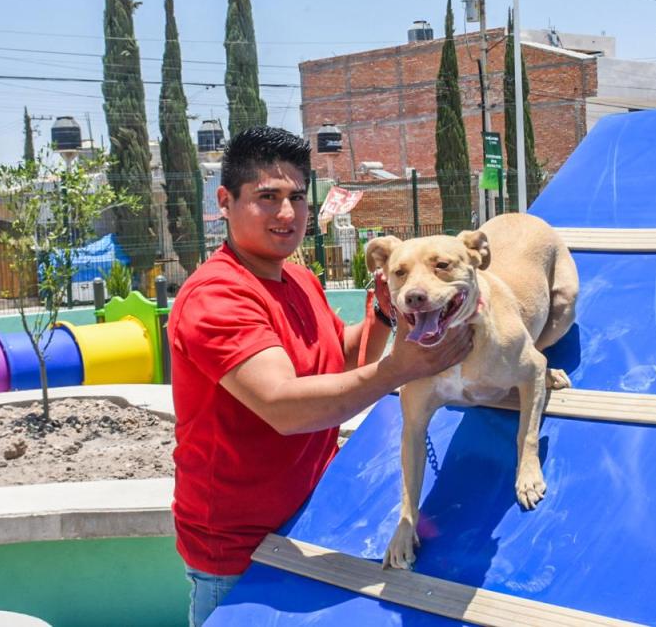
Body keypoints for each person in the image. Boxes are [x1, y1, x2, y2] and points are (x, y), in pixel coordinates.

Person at [167, 126, 473, 627]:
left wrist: (383, 314)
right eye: (268, 198)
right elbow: (285, 407)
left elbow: (342, 360)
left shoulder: (297, 278)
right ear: (225, 201)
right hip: (239, 554)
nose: (287, 214)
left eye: (296, 198)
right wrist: (400, 368)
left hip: (309, 524)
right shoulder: (217, 297)